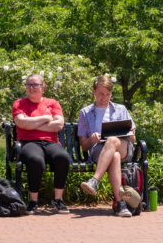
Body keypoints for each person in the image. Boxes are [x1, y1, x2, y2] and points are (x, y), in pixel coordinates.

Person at [77, 75, 137, 217]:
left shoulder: (121, 109)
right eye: (101, 94)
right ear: (94, 92)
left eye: (108, 94)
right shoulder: (85, 113)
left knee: (112, 140)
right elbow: (84, 147)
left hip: (123, 147)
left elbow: (133, 139)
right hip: (99, 151)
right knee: (114, 156)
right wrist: (92, 139)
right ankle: (121, 205)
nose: (104, 98)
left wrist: (129, 132)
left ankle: (94, 180)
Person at [12, 73, 71, 214]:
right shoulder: (19, 103)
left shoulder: (52, 103)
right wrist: (45, 118)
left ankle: (58, 200)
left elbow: (58, 125)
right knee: (36, 160)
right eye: (29, 84)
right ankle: (33, 201)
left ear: (43, 87)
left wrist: (30, 124)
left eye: (35, 85)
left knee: (63, 158)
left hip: (50, 143)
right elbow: (20, 122)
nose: (32, 87)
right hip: (28, 143)